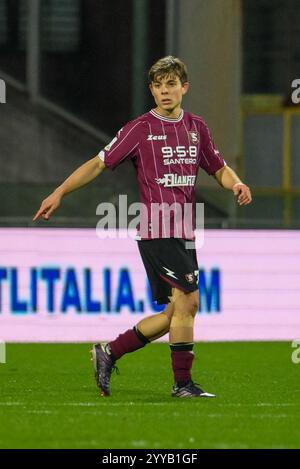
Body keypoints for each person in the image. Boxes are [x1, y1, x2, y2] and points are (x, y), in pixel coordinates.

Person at [33, 56, 252, 398]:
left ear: (184, 88)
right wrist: (59, 191)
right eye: (158, 86)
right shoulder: (140, 129)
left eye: (171, 84)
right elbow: (98, 164)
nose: (164, 91)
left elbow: (218, 167)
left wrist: (236, 183)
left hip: (184, 230)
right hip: (158, 228)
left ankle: (109, 351)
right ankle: (182, 385)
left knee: (175, 311)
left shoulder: (198, 127)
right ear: (151, 90)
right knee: (189, 302)